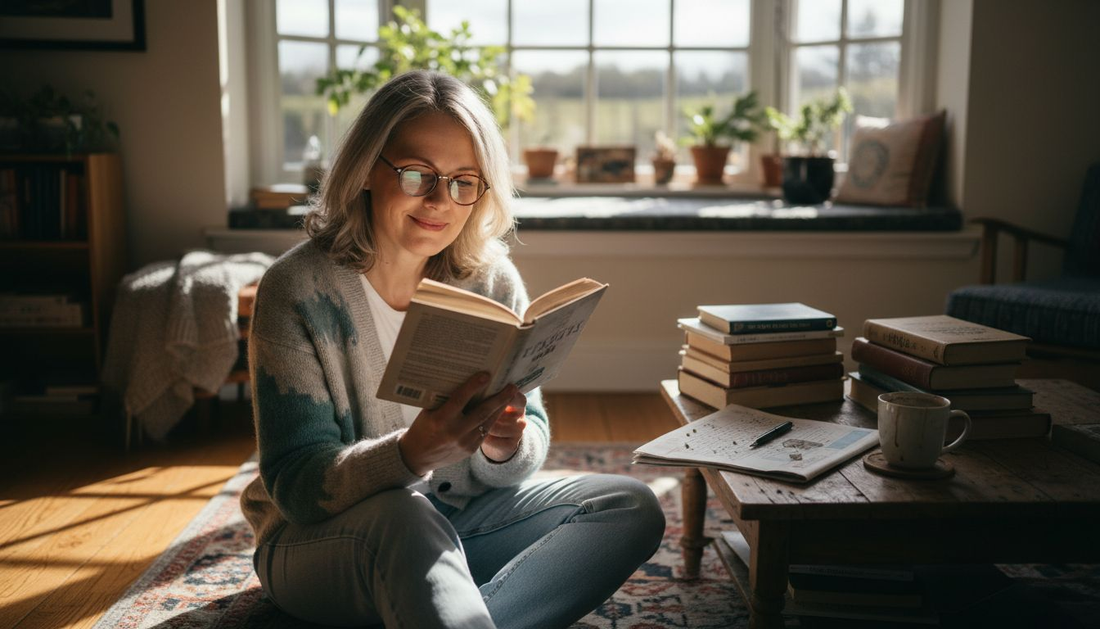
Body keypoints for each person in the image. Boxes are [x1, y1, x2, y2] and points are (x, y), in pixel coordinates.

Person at [240, 70, 665, 629]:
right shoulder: (296, 290)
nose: (442, 200)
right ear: (368, 168)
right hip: (324, 542)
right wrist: (410, 455)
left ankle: (435, 611)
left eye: (465, 181)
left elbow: (528, 438)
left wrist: (504, 445)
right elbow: (295, 485)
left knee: (630, 507)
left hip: (460, 525)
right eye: (418, 174)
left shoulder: (491, 282)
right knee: (406, 514)